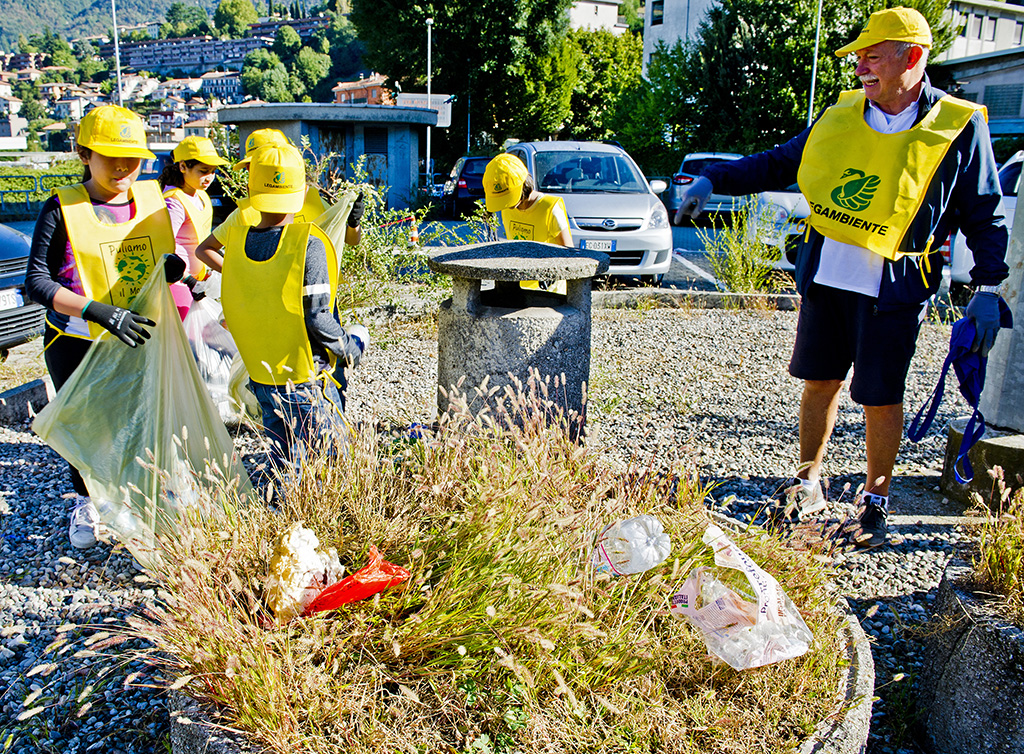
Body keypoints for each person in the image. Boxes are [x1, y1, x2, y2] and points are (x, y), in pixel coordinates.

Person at [673, 7, 1009, 548]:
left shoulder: (958, 127)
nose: (860, 68)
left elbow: (984, 212)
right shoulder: (842, 114)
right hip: (828, 277)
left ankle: (875, 500)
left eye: (872, 57)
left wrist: (989, 287)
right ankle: (808, 481)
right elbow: (778, 163)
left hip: (893, 288)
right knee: (819, 380)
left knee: (879, 394)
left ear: (912, 57)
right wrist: (713, 178)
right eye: (858, 58)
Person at [25, 104, 183, 550]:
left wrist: (174, 270)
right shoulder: (62, 208)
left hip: (138, 335)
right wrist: (96, 311)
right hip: (76, 339)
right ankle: (87, 502)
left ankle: (144, 497)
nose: (122, 168)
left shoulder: (152, 202)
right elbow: (36, 281)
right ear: (84, 154)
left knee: (141, 420)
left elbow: (163, 261)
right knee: (88, 426)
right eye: (110, 157)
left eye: (131, 159)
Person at [217, 143, 366, 482]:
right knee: (332, 462)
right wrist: (350, 346)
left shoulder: (236, 241)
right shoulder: (308, 243)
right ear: (301, 191)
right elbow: (318, 317)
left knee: (283, 458)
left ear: (252, 190)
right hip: (305, 378)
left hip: (262, 375)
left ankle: (281, 506)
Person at [194, 128, 363, 273]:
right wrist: (241, 275)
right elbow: (204, 249)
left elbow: (351, 240)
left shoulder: (313, 201)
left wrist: (353, 223)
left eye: (257, 165)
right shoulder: (245, 212)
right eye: (249, 167)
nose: (250, 171)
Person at [159, 135, 229, 320]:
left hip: (199, 282)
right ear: (183, 166)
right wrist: (188, 280)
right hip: (179, 285)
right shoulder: (174, 202)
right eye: (203, 171)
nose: (209, 178)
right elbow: (163, 250)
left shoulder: (200, 195)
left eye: (213, 171)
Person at [484, 153, 572, 248]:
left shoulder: (550, 208)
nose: (505, 204)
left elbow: (568, 250)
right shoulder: (507, 207)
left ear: (523, 185)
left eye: (507, 197)